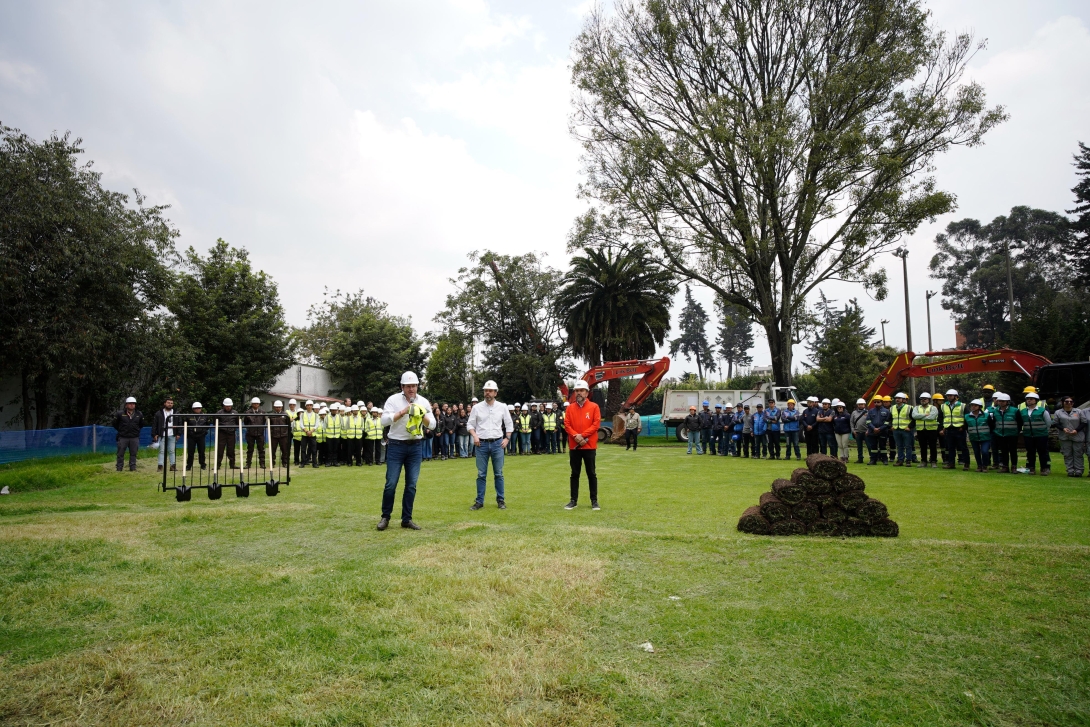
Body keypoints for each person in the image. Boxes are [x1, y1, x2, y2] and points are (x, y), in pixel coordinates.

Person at [377, 371, 436, 531]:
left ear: (418, 386)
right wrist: (402, 412)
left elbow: (433, 425)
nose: (411, 389)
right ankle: (385, 517)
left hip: (415, 446)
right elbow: (383, 421)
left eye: (414, 386)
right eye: (408, 386)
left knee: (411, 485)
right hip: (396, 445)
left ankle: (406, 519)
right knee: (391, 483)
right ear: (402, 387)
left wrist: (421, 414)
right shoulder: (393, 400)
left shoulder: (423, 401)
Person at [467, 380, 514, 510]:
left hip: (497, 443)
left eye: (490, 391)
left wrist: (507, 438)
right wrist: (475, 435)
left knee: (498, 473)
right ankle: (479, 501)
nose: (487, 393)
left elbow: (509, 424)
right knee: (481, 474)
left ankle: (501, 500)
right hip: (481, 443)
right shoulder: (476, 408)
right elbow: (470, 424)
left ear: (495, 393)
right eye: (485, 390)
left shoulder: (502, 407)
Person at [564, 379, 601, 510]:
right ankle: (573, 500)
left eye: (581, 391)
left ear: (587, 392)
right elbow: (567, 425)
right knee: (575, 474)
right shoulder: (569, 408)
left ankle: (594, 501)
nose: (579, 393)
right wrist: (576, 436)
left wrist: (583, 436)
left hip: (589, 446)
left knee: (591, 473)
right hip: (575, 446)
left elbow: (596, 424)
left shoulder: (594, 407)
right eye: (577, 391)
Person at [1055, 396, 1086, 477]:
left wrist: (1076, 430)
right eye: (1066, 401)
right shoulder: (1058, 412)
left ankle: (1079, 470)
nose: (1069, 403)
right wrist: (1063, 428)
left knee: (1078, 453)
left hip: (1077, 436)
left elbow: (1084, 422)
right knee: (1067, 454)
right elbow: (1056, 423)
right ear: (1062, 403)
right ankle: (1070, 470)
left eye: (1071, 401)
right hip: (1065, 436)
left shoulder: (1079, 411)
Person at [1021, 391, 1052, 475]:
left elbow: (1048, 422)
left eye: (1031, 399)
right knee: (1030, 452)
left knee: (1042, 452)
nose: (1029, 401)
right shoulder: (1023, 411)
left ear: (1036, 400)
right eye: (1027, 399)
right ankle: (1031, 468)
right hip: (1028, 435)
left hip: (1041, 435)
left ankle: (1044, 468)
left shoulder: (1042, 411)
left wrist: (1044, 431)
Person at [939, 389, 970, 471]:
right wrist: (942, 428)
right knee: (950, 448)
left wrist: (963, 427)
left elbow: (967, 418)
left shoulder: (963, 406)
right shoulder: (943, 406)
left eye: (950, 396)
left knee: (963, 447)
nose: (948, 397)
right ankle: (951, 463)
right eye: (948, 396)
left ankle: (966, 464)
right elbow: (941, 418)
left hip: (960, 430)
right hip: (949, 429)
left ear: (956, 397)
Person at [113, 396, 144, 472]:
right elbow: (114, 424)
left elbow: (141, 424)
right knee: (120, 453)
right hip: (123, 437)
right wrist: (121, 430)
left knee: (133, 453)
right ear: (126, 405)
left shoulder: (139, 414)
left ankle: (133, 468)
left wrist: (135, 430)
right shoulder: (120, 414)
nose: (132, 405)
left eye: (133, 404)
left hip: (134, 437)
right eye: (130, 404)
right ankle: (119, 468)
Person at [991, 392, 1020, 473]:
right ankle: (1005, 466)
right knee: (1003, 451)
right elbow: (993, 422)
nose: (1001, 403)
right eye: (999, 401)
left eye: (1003, 401)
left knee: (1013, 451)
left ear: (1008, 402)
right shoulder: (995, 411)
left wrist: (1017, 431)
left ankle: (1014, 467)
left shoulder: (1015, 410)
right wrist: (996, 431)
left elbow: (1019, 422)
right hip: (1000, 434)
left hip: (1012, 434)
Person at [964, 398, 995, 472]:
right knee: (976, 452)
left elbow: (991, 426)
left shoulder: (986, 416)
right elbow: (966, 427)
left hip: (985, 437)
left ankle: (985, 466)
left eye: (975, 405)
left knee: (984, 451)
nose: (973, 407)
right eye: (972, 405)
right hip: (973, 437)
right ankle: (979, 466)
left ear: (979, 407)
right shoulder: (967, 416)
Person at [911, 392, 939, 468]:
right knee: (922, 447)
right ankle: (923, 461)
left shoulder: (933, 408)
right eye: (921, 399)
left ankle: (933, 461)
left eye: (925, 399)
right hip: (920, 430)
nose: (923, 400)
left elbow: (932, 417)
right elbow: (914, 416)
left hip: (931, 430)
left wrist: (919, 416)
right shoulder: (916, 408)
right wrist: (925, 415)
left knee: (933, 447)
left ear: (929, 400)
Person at [889, 392, 915, 467]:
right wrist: (891, 426)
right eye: (896, 398)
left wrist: (909, 427)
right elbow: (889, 419)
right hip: (896, 429)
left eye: (899, 398)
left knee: (908, 446)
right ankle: (900, 460)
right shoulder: (892, 408)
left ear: (903, 399)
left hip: (906, 430)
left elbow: (914, 419)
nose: (897, 400)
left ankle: (908, 461)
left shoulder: (909, 408)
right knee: (899, 446)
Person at [152, 396, 177, 473]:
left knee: (172, 451)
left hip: (172, 435)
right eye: (168, 403)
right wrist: (154, 434)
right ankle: (160, 466)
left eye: (171, 403)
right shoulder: (159, 413)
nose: (170, 404)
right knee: (161, 451)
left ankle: (173, 466)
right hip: (162, 434)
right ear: (165, 403)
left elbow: (179, 423)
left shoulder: (176, 413)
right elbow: (154, 424)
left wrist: (178, 433)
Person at [866, 395, 892, 465]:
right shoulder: (871, 411)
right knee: (873, 447)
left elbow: (887, 422)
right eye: (875, 402)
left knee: (883, 447)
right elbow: (868, 421)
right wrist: (873, 428)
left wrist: (880, 429)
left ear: (881, 402)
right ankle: (873, 460)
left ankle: (885, 460)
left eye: (878, 402)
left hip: (883, 432)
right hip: (872, 431)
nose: (876, 403)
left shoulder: (886, 411)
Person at [243, 397, 267, 470]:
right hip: (250, 434)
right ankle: (248, 464)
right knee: (250, 449)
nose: (256, 405)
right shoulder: (248, 412)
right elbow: (246, 423)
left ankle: (262, 464)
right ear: (252, 404)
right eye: (254, 403)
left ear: (259, 404)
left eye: (257, 403)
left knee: (261, 449)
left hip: (260, 433)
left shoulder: (262, 412)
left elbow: (264, 421)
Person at [215, 398, 238, 470]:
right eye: (227, 406)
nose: (228, 407)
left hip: (231, 433)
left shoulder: (235, 413)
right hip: (222, 433)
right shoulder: (219, 413)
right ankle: (217, 465)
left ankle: (232, 464)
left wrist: (233, 429)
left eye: (229, 406)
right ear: (224, 406)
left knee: (231, 449)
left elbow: (237, 423)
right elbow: (215, 422)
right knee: (220, 449)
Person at [185, 402, 209, 470]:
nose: (197, 409)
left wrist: (204, 432)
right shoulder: (189, 416)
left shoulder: (205, 416)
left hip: (201, 435)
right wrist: (189, 432)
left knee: (201, 451)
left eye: (199, 408)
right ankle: (189, 465)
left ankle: (203, 464)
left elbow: (207, 425)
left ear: (201, 408)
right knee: (190, 451)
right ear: (193, 409)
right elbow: (186, 425)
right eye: (196, 408)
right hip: (191, 436)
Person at [268, 400, 293, 468]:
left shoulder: (285, 415)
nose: (278, 408)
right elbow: (268, 424)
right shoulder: (271, 415)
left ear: (281, 407)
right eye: (276, 407)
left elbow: (288, 424)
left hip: (283, 435)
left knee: (285, 450)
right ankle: (272, 463)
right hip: (274, 435)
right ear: (274, 407)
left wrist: (287, 433)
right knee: (273, 450)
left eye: (279, 407)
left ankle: (284, 463)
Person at [298, 401, 320, 468]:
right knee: (303, 449)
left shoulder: (316, 415)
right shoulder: (302, 414)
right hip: (305, 434)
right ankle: (303, 463)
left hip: (312, 435)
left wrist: (311, 431)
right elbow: (301, 424)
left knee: (314, 449)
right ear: (306, 406)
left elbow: (317, 424)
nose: (309, 406)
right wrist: (307, 431)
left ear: (312, 406)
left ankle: (314, 463)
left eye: (310, 405)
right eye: (308, 405)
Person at [850, 398, 870, 464]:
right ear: (857, 405)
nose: (860, 405)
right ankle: (860, 459)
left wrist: (868, 430)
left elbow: (870, 422)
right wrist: (853, 430)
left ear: (864, 405)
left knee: (869, 446)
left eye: (862, 404)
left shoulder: (868, 412)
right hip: (857, 432)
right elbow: (851, 422)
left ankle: (872, 458)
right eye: (859, 404)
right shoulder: (854, 413)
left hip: (866, 432)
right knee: (859, 446)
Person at [286, 399, 302, 466]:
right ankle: (286, 460)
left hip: (295, 432)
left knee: (296, 447)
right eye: (291, 404)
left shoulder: (298, 412)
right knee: (287, 447)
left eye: (293, 404)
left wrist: (291, 420)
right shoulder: (286, 412)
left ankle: (296, 460)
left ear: (295, 405)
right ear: (289, 405)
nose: (292, 406)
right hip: (288, 430)